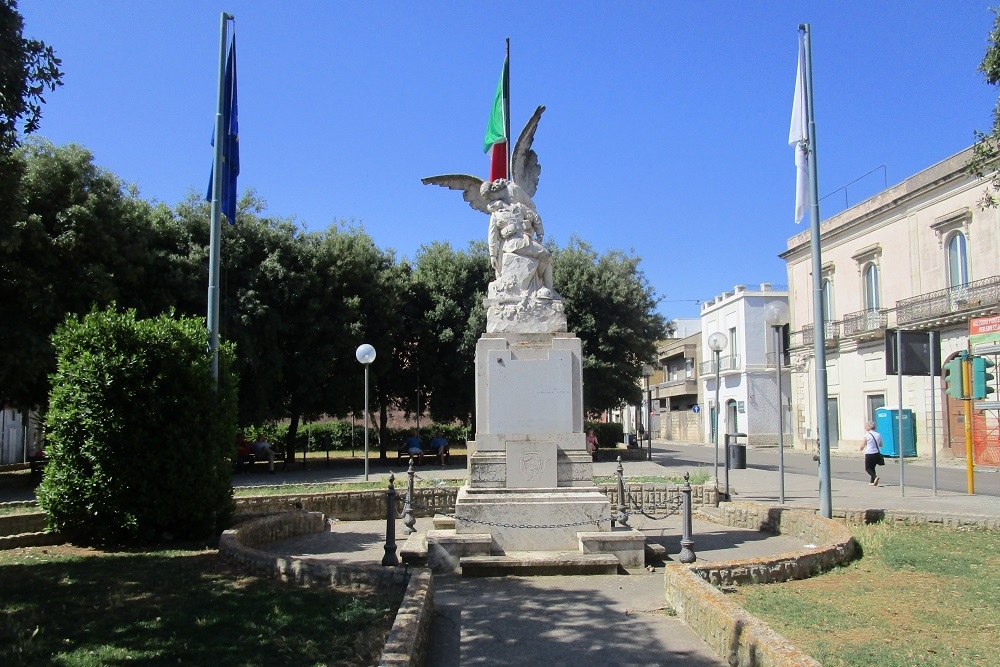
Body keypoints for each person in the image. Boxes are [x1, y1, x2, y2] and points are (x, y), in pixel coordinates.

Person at [860, 420, 884, 486]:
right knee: (872, 467)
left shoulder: (867, 435)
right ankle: (872, 482)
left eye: (867, 426)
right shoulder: (878, 434)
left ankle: (875, 477)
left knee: (867, 468)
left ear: (870, 427)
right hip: (876, 453)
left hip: (869, 453)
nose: (865, 427)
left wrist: (860, 449)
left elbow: (863, 445)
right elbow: (881, 444)